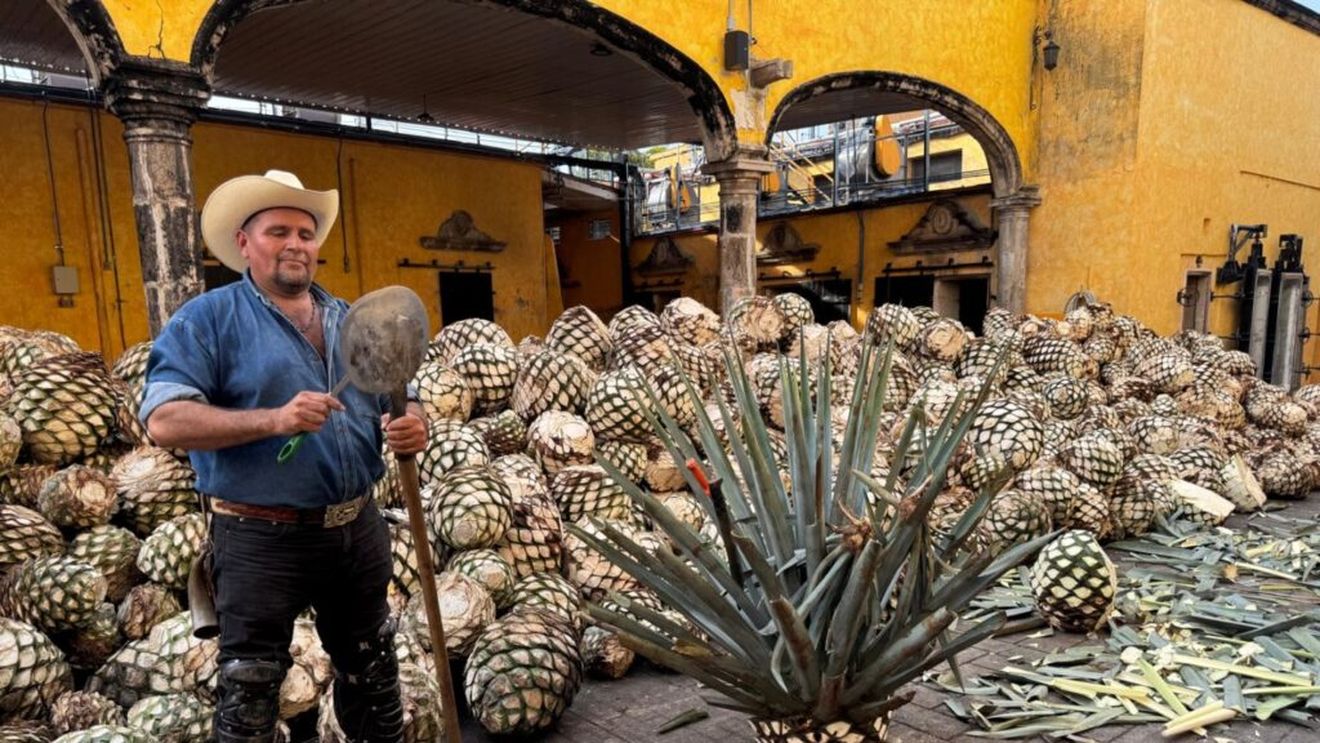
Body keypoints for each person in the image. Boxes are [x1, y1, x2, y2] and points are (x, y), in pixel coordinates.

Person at [141, 170, 427, 743]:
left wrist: (414, 422)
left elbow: (402, 391)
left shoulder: (352, 319)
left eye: (306, 232)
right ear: (245, 243)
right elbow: (163, 420)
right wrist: (274, 419)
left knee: (373, 670)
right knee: (251, 687)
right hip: (259, 537)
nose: (296, 243)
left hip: (356, 529)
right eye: (278, 231)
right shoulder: (208, 320)